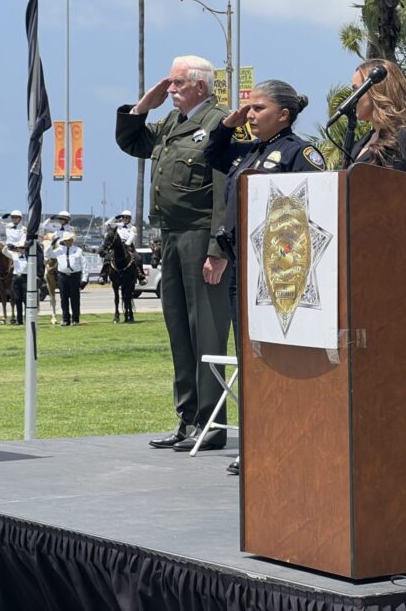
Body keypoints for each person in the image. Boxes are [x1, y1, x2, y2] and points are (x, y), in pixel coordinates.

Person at [205, 79, 326, 475]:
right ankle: (256, 441)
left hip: (281, 276)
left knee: (280, 360)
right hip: (244, 268)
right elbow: (212, 154)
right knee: (250, 358)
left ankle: (286, 439)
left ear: (284, 115)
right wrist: (229, 122)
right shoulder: (249, 152)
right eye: (249, 108)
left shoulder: (299, 153)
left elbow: (315, 210)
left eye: (258, 108)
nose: (251, 115)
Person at [115, 54, 232, 453]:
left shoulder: (219, 122)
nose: (171, 90)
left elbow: (223, 192)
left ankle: (212, 425)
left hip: (202, 237)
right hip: (172, 236)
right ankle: (187, 418)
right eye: (170, 83)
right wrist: (143, 107)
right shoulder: (171, 123)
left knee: (208, 332)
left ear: (201, 86)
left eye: (178, 83)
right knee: (179, 330)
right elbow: (132, 142)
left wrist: (219, 247)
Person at [348, 59, 406, 174]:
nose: (352, 97)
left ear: (377, 90)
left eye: (356, 89)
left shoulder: (404, 138)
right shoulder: (367, 138)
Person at [47, 231, 86, 326]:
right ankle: (65, 319)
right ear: (63, 241)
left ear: (72, 240)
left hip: (74, 275)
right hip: (62, 276)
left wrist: (84, 279)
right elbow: (47, 253)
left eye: (69, 240)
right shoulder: (59, 250)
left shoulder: (78, 250)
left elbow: (84, 265)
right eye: (65, 240)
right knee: (63, 298)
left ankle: (75, 319)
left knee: (75, 298)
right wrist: (52, 244)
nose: (67, 242)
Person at [101, 210, 147, 284]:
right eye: (123, 217)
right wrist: (115, 218)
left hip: (128, 245)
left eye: (126, 217)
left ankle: (141, 276)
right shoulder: (117, 225)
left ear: (129, 218)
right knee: (107, 257)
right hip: (117, 244)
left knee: (138, 258)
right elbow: (107, 224)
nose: (125, 219)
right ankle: (103, 276)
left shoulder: (133, 228)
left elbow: (132, 237)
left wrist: (126, 244)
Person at [2, 242, 28, 325]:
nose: (21, 249)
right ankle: (19, 320)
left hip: (25, 278)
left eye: (23, 248)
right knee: (17, 299)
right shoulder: (14, 255)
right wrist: (8, 245)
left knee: (26, 300)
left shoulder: (29, 256)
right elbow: (4, 251)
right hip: (16, 278)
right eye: (20, 248)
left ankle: (27, 319)